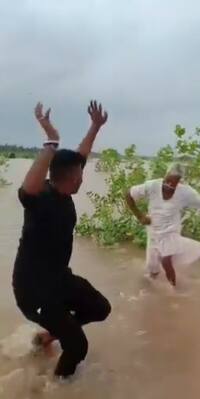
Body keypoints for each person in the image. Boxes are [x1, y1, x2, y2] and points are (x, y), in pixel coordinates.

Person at [13, 101, 111, 379]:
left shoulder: (64, 190)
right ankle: (56, 387)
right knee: (78, 346)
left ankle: (48, 336)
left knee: (100, 308)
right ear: (71, 179)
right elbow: (26, 190)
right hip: (33, 291)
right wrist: (51, 141)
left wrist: (94, 126)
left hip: (58, 279)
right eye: (80, 175)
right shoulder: (40, 199)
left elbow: (78, 157)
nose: (83, 178)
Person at [125, 163, 200, 287]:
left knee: (166, 261)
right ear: (165, 175)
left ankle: (173, 290)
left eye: (173, 183)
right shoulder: (152, 185)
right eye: (167, 180)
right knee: (152, 269)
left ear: (179, 182)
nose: (168, 185)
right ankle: (152, 289)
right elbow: (128, 195)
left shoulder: (185, 192)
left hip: (171, 231)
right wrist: (140, 216)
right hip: (153, 231)